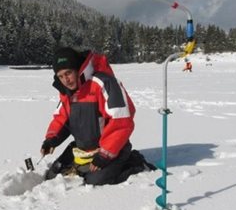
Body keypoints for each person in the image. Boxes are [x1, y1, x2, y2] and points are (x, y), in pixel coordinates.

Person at [40, 47, 153, 185]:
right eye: (61, 76)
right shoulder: (67, 92)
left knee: (95, 180)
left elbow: (122, 120)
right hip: (83, 148)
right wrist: (51, 140)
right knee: (52, 174)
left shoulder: (103, 83)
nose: (66, 80)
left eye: (68, 73)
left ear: (78, 69)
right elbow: (62, 118)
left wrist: (105, 154)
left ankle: (133, 161)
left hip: (112, 149)